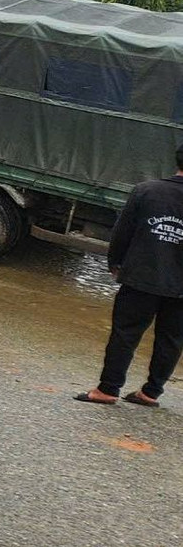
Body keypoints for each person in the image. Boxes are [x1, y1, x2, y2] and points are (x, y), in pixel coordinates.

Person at [76, 142, 183, 408]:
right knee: (172, 339)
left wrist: (115, 263)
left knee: (125, 333)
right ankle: (151, 393)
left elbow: (122, 232)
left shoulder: (146, 191)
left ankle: (108, 389)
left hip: (140, 278)